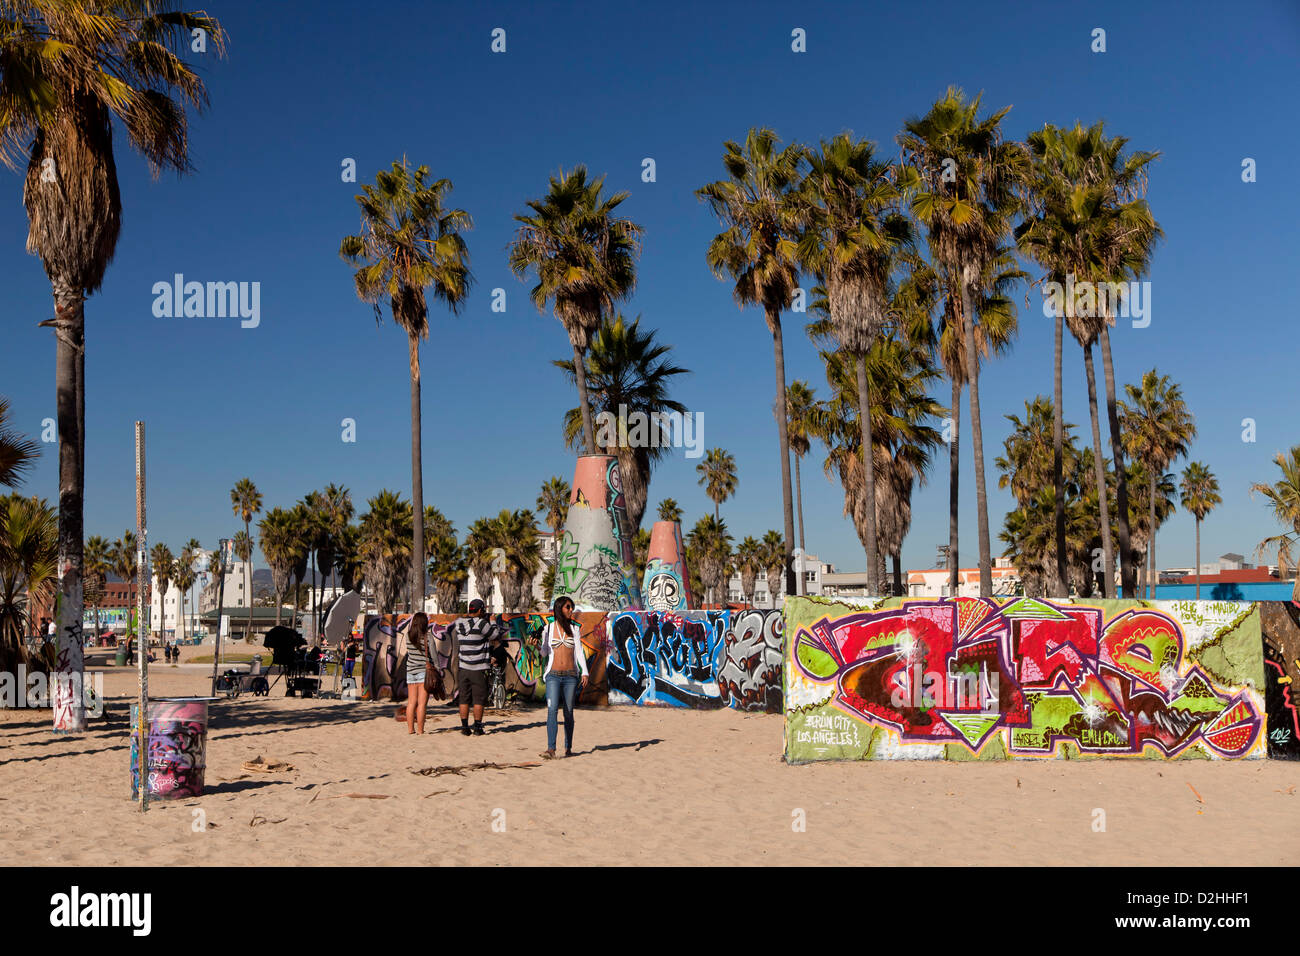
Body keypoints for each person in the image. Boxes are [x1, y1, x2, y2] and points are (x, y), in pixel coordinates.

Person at [540, 596, 588, 759]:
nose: (570, 610)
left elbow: (579, 652)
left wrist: (585, 671)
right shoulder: (548, 628)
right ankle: (551, 749)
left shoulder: (574, 629)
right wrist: (538, 645)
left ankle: (568, 747)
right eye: (568, 607)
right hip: (553, 675)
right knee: (552, 709)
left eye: (571, 607)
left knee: (568, 711)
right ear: (560, 608)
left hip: (570, 676)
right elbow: (545, 652)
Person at [452, 599, 504, 736]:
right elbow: (495, 635)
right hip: (479, 668)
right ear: (481, 610)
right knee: (478, 699)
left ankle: (464, 727)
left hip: (463, 667)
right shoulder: (482, 624)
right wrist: (493, 621)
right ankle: (478, 727)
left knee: (463, 698)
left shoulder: (459, 623)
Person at [405, 613, 431, 735]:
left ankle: (410, 729)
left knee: (411, 702)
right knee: (421, 704)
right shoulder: (427, 637)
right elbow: (434, 657)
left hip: (410, 671)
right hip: (423, 672)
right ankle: (420, 730)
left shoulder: (408, 636)